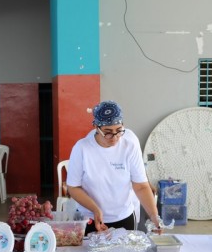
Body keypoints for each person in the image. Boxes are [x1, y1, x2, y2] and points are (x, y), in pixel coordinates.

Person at [66, 100, 161, 234]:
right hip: (89, 218)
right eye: (108, 132)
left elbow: (141, 186)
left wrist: (154, 216)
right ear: (96, 127)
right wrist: (95, 209)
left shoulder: (129, 147)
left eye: (119, 130)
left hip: (124, 217)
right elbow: (73, 187)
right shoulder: (82, 148)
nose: (115, 137)